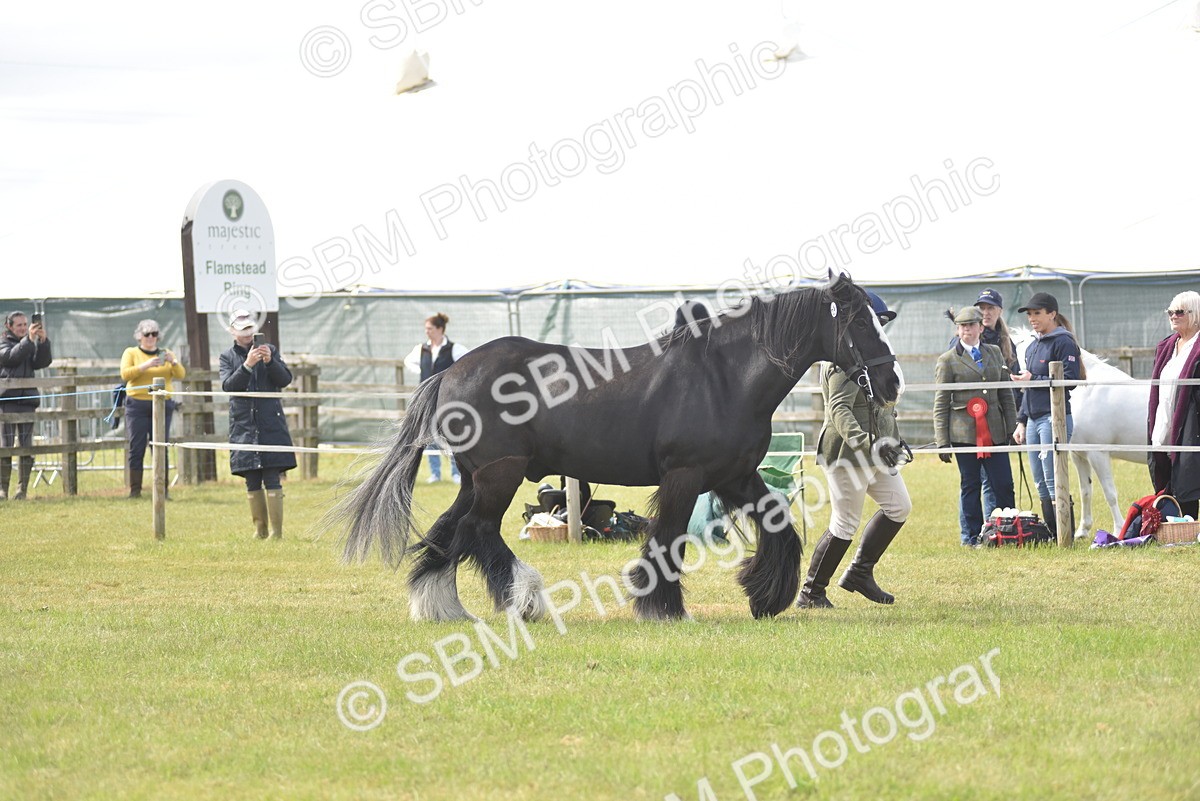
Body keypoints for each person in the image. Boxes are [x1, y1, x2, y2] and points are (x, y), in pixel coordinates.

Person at [798, 291, 911, 609]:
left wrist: (895, 440)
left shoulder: (875, 357)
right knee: (845, 522)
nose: (881, 329)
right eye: (877, 322)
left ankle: (860, 573)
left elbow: (885, 409)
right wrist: (868, 444)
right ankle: (811, 592)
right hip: (846, 453)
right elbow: (838, 409)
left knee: (899, 506)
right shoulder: (840, 361)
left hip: (877, 452)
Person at [934, 306, 1018, 545]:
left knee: (1003, 484)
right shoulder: (948, 360)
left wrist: (1011, 428)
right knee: (970, 485)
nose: (966, 330)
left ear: (981, 328)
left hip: (995, 431)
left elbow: (1005, 395)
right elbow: (941, 403)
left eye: (970, 325)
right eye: (962, 326)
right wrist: (942, 441)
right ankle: (971, 537)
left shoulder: (994, 353)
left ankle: (1006, 531)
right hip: (964, 434)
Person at [219, 310, 296, 539]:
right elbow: (229, 386)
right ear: (232, 332)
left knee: (272, 475)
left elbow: (285, 380)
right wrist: (248, 365)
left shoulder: (270, 350)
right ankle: (259, 530)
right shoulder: (226, 357)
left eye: (250, 328)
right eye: (242, 330)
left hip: (270, 423)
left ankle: (276, 532)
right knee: (252, 477)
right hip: (244, 426)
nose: (248, 334)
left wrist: (270, 362)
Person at [1011, 292, 1083, 535]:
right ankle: (1053, 534)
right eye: (1030, 314)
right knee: (1040, 482)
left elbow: (1071, 380)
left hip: (1055, 418)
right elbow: (1027, 390)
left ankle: (1066, 533)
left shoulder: (1064, 342)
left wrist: (1035, 379)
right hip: (1032, 420)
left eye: (1037, 313)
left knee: (1054, 480)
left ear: (1052, 314)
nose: (1032, 318)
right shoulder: (1032, 347)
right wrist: (1021, 421)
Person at [1147, 291, 1200, 519]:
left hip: (1192, 421)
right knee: (1169, 473)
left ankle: (1189, 527)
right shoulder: (1167, 346)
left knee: (1188, 473)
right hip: (1166, 418)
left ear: (1196, 315)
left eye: (1180, 311)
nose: (1173, 316)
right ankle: (1179, 527)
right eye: (1170, 312)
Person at [119, 319, 184, 499]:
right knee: (136, 447)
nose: (150, 338)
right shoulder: (131, 352)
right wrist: (146, 365)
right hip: (137, 405)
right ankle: (135, 491)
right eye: (147, 334)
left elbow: (181, 375)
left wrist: (174, 362)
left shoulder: (166, 353)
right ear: (139, 336)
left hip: (163, 404)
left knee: (160, 446)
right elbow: (125, 374)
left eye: (154, 334)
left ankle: (163, 491)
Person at [403, 312, 469, 484]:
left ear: (440, 329)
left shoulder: (454, 349)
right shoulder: (421, 348)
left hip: (446, 397)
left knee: (452, 434)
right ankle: (435, 473)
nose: (427, 332)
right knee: (429, 436)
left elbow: (468, 361)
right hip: (427, 398)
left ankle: (456, 473)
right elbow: (408, 361)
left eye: (430, 328)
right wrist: (422, 373)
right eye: (426, 329)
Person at [0, 311, 53, 500]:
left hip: (28, 402)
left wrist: (43, 342)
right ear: (9, 327)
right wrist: (29, 341)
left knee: (26, 447)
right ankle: (3, 490)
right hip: (7, 402)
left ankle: (22, 490)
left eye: (25, 324)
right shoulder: (3, 343)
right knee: (5, 446)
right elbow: (10, 358)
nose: (23, 328)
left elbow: (42, 362)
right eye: (19, 325)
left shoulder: (28, 343)